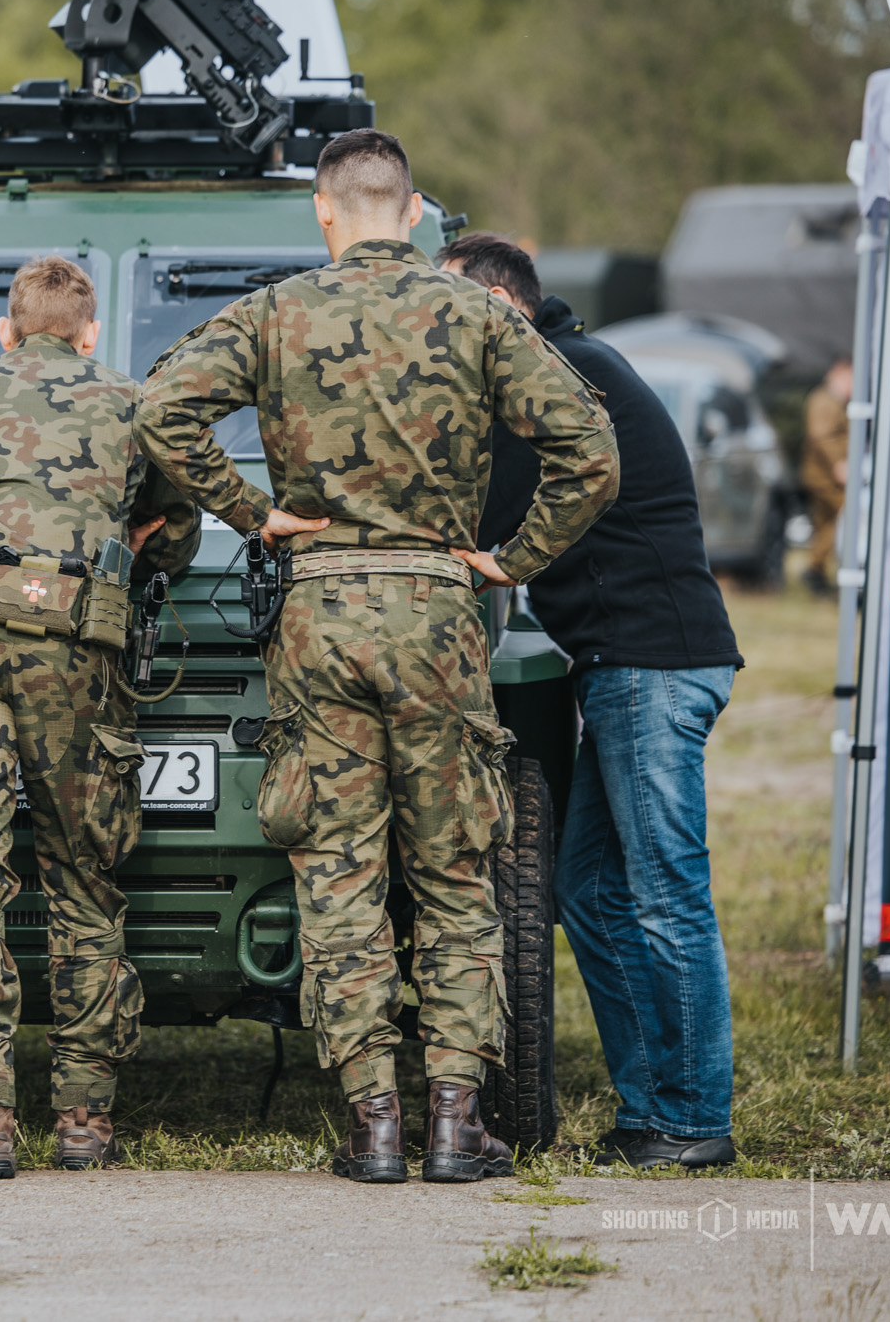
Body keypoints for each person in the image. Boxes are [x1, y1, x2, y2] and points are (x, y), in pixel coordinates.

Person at [136, 132, 618, 1185]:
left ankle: (370, 1123)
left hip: (319, 613)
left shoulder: (275, 313)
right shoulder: (476, 316)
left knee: (338, 869)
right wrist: (508, 559)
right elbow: (589, 450)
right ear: (407, 215)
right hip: (440, 612)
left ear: (321, 214)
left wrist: (255, 514)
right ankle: (454, 1118)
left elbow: (160, 411)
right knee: (454, 870)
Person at [0, 255, 200, 1179]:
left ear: (8, 330)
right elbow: (173, 538)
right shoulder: (130, 403)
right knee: (84, 880)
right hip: (76, 649)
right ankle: (85, 1123)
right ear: (91, 331)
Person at [437, 232, 744, 1170]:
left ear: (502, 308)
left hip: (652, 665)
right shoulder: (563, 367)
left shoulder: (569, 378)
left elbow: (477, 514)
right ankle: (651, 1106)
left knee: (663, 891)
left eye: (452, 313)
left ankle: (694, 1121)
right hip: (621, 665)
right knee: (587, 889)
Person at [800, 357, 852, 594]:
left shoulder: (834, 401)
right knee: (841, 518)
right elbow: (821, 436)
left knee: (827, 525)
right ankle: (815, 570)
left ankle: (816, 572)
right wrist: (839, 464)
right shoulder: (824, 400)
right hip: (825, 476)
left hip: (827, 475)